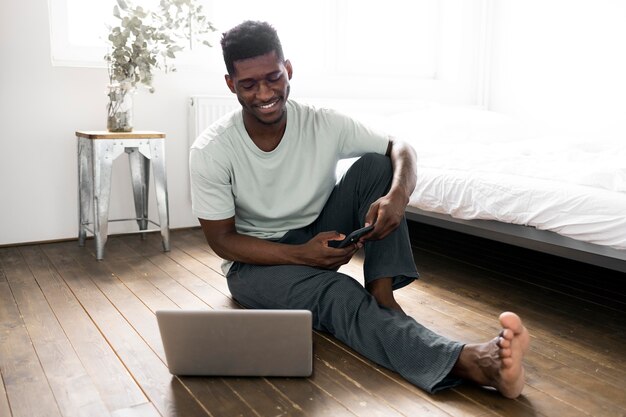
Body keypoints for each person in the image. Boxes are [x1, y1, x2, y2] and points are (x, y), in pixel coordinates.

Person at [189, 20, 529, 398]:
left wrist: (397, 196)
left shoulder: (322, 122)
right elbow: (221, 240)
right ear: (230, 84)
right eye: (249, 84)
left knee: (377, 165)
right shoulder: (212, 150)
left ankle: (383, 297)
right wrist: (300, 256)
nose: (265, 92)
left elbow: (401, 147)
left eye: (273, 77)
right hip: (256, 265)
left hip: (319, 232)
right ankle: (472, 361)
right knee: (337, 292)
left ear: (288, 69)